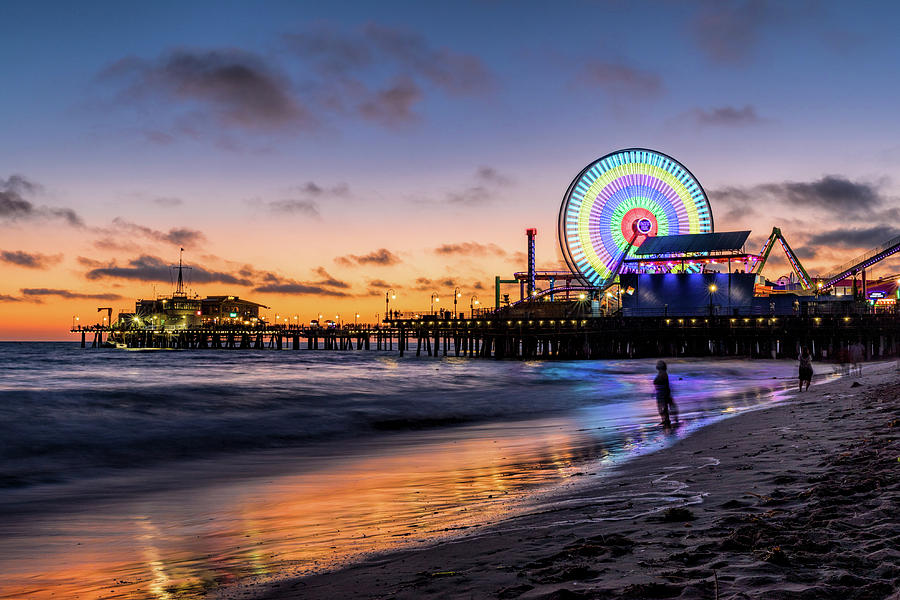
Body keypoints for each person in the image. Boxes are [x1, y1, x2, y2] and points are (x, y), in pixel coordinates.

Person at [654, 360, 678, 426]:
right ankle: (666, 420)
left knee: (663, 408)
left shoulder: (663, 374)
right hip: (662, 393)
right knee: (664, 408)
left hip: (662, 393)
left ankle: (666, 420)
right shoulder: (663, 373)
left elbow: (659, 382)